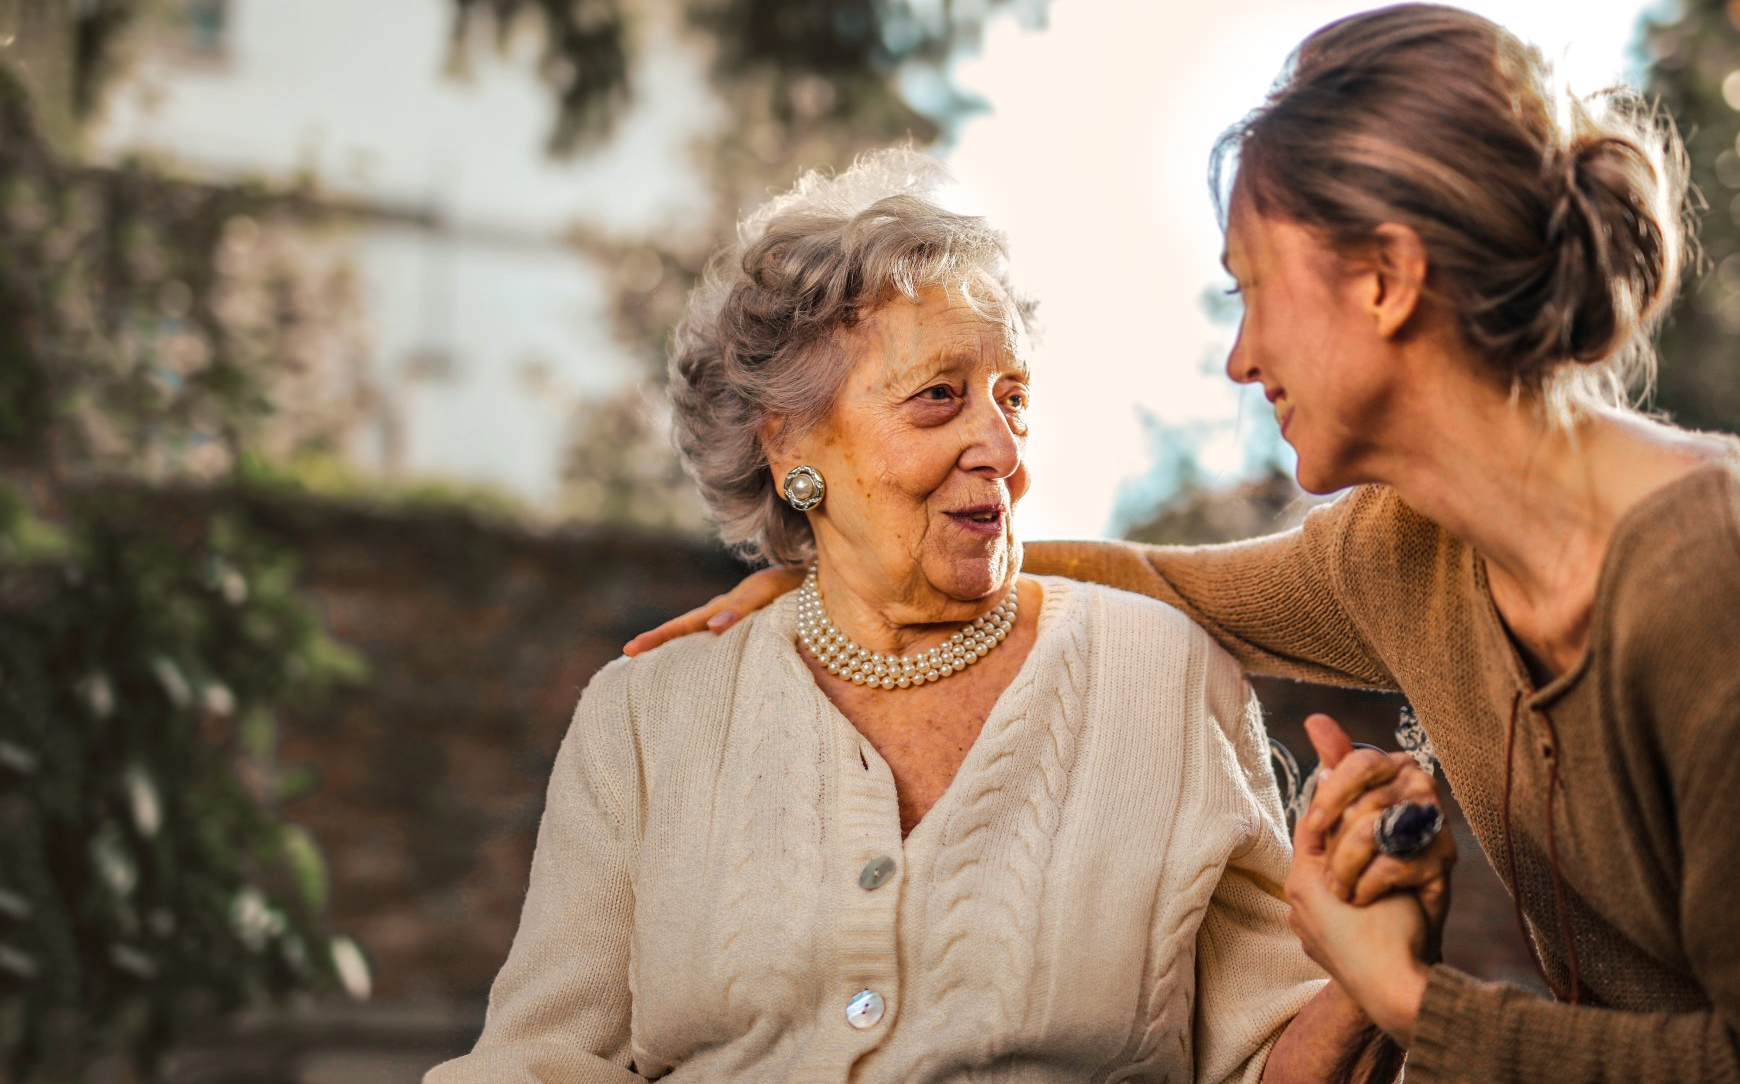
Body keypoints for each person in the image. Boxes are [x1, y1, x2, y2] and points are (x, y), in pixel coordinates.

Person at [623, 7, 1740, 1083]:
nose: (1240, 356)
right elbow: (1157, 581)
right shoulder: (1408, 550)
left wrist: (1412, 1003)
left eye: (1251, 288)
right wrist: (842, 579)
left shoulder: (1728, 602)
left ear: (1385, 278)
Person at [427, 149, 1445, 1084]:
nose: (1001, 447)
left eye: (1013, 397)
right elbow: (540, 1062)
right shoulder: (648, 716)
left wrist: (1368, 975)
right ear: (791, 447)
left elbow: (1268, 1062)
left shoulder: (1163, 675)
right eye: (938, 398)